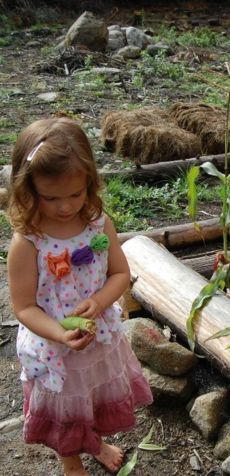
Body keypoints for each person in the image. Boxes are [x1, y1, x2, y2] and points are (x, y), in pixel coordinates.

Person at [7, 117, 153, 476]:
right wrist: (59, 334)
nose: (65, 207)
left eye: (75, 194)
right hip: (55, 347)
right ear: (27, 190)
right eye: (51, 197)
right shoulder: (29, 241)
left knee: (93, 399)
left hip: (98, 337)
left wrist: (101, 301)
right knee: (66, 410)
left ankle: (96, 442)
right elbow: (24, 306)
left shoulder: (98, 223)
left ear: (89, 181)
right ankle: (70, 460)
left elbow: (119, 273)